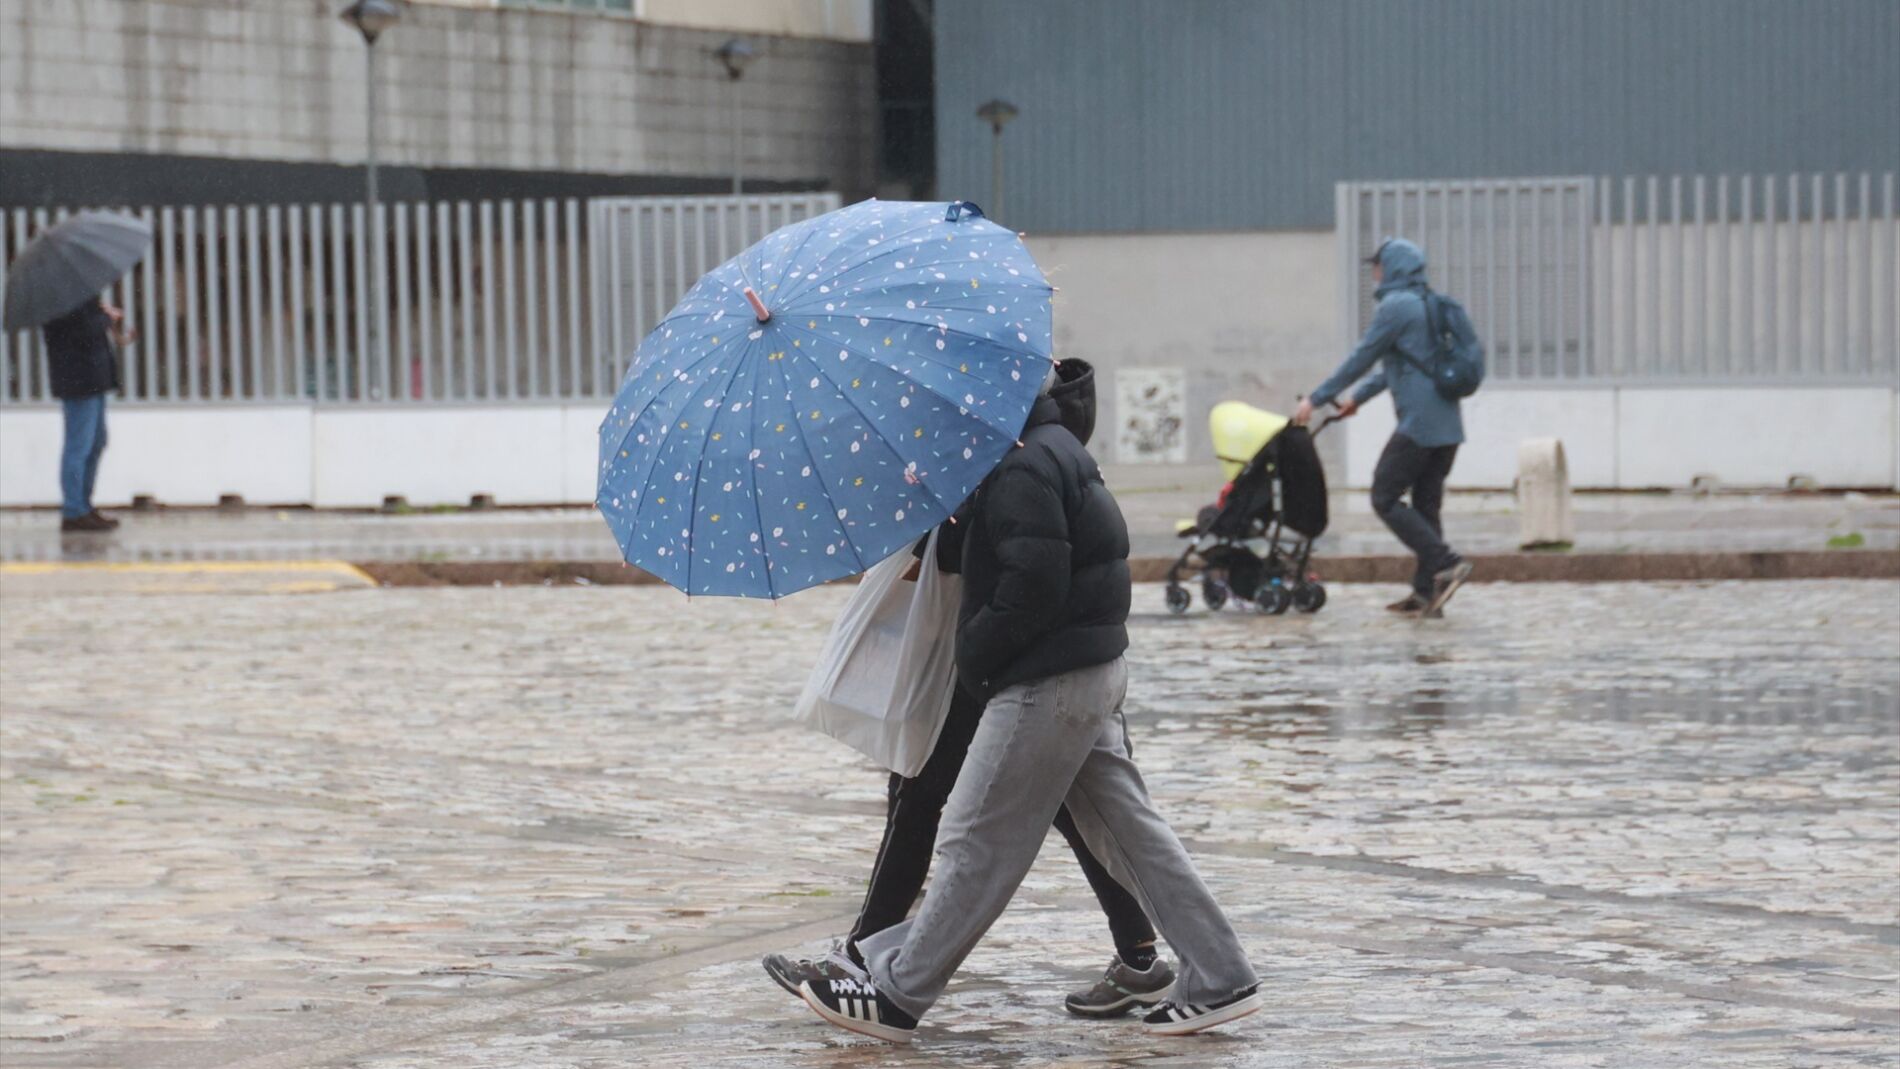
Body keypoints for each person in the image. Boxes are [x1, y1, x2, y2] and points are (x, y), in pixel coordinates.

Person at [795, 362, 1261, 1044]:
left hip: (1048, 679)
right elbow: (997, 545)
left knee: (973, 837)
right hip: (1090, 667)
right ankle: (1221, 975)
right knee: (1129, 834)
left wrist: (975, 654)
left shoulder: (1021, 466)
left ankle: (896, 992)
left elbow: (1033, 582)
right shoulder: (1042, 449)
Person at [1294, 237, 1471, 617]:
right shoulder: (1424, 304)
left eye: (1377, 265)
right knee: (1425, 506)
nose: (1373, 272)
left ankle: (1445, 561)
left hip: (1420, 425)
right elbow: (1396, 367)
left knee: (1384, 495)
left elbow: (1363, 357)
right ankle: (1426, 594)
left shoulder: (1396, 307)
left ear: (1392, 267)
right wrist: (1357, 399)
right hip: (1448, 425)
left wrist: (1316, 398)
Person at [42, 296, 128, 533]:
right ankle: (74, 511)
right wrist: (105, 317)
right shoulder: (60, 299)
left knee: (96, 442)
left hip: (92, 378)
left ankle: (83, 505)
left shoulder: (79, 295)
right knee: (79, 446)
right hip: (79, 380)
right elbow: (82, 331)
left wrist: (99, 312)